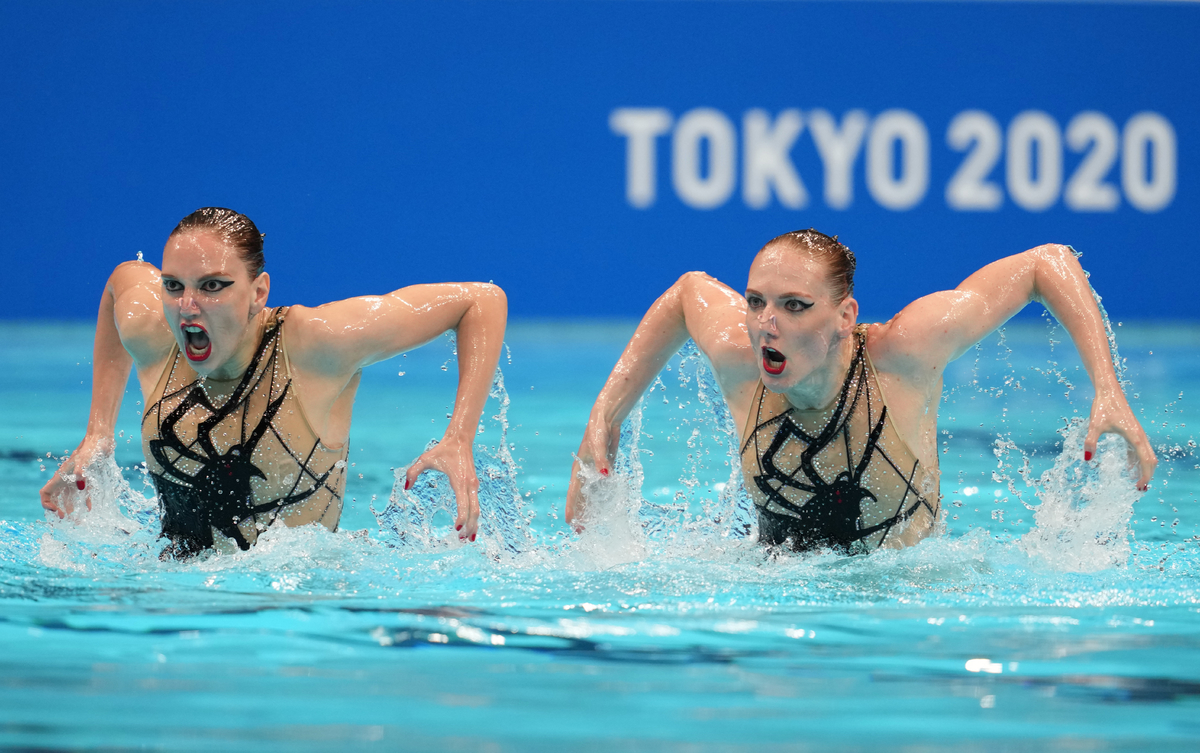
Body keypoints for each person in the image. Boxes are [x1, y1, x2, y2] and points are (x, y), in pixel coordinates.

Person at [566, 229, 1157, 554]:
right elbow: (687, 291)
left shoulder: (904, 354)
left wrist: (1109, 389)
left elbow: (1045, 264)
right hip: (774, 592)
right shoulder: (739, 356)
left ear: (845, 315)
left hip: (904, 596)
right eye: (756, 301)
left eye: (795, 306)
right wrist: (606, 415)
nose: (766, 323)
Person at [41, 207, 506, 557]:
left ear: (258, 292)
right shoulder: (154, 334)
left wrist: (458, 437)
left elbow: (480, 301)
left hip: (294, 613)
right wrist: (98, 434)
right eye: (174, 285)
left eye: (213, 285)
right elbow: (122, 280)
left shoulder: (314, 345)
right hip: (173, 605)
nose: (186, 307)